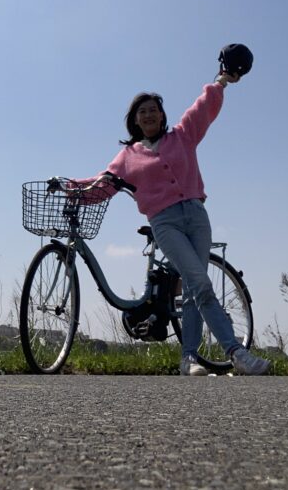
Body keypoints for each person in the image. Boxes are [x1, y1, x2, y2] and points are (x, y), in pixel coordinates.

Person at [70, 47, 270, 376]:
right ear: (135, 120)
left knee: (193, 289)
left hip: (196, 216)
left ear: (162, 116)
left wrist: (222, 81)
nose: (148, 115)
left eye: (153, 110)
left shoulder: (182, 136)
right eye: (142, 112)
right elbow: (101, 185)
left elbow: (203, 108)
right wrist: (69, 189)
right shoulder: (127, 157)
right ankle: (236, 352)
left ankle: (188, 358)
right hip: (165, 223)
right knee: (199, 281)